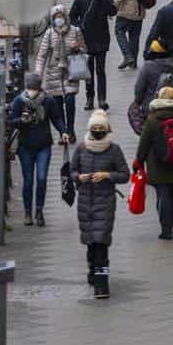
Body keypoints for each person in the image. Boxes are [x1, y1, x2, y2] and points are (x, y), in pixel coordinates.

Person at [70, 109, 130, 299]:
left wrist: (107, 175)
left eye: (100, 128)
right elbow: (71, 171)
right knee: (90, 242)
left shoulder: (114, 150)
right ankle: (93, 270)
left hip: (105, 201)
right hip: (85, 201)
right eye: (94, 128)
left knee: (101, 243)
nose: (97, 131)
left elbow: (124, 175)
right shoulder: (81, 148)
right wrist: (79, 177)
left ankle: (102, 285)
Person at [134, 86, 173, 240]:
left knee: (162, 196)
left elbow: (144, 143)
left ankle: (166, 227)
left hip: (157, 165)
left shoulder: (152, 118)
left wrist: (139, 162)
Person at [8, 73, 70, 227]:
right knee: (28, 180)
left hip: (44, 145)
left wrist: (63, 131)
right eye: (30, 89)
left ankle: (39, 211)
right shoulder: (19, 101)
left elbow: (56, 118)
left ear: (39, 88)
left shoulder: (48, 101)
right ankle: (28, 212)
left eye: (34, 89)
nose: (32, 92)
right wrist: (21, 120)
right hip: (25, 146)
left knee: (41, 179)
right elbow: (11, 122)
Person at [35, 4, 86, 142]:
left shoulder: (75, 31)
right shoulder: (49, 33)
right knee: (57, 105)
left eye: (61, 16)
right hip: (53, 72)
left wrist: (78, 48)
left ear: (65, 17)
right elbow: (42, 55)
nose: (59, 19)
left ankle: (71, 129)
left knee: (70, 101)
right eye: (56, 17)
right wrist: (38, 73)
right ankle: (62, 132)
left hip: (71, 71)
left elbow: (84, 49)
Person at [70, 0, 118, 111]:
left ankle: (102, 99)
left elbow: (112, 12)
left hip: (102, 39)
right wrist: (79, 26)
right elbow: (72, 17)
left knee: (101, 70)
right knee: (88, 71)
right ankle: (89, 98)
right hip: (86, 40)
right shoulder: (80, 0)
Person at [134, 38, 173, 108]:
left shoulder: (148, 66)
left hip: (152, 107)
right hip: (172, 106)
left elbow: (139, 89)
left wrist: (137, 103)